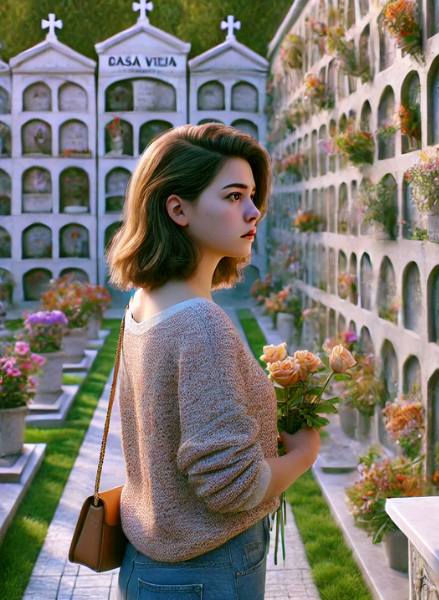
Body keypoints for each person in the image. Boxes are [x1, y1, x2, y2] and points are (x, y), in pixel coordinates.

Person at [105, 123, 321, 600]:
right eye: (233, 196)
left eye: (252, 195)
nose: (253, 210)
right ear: (177, 208)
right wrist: (305, 454)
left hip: (151, 561)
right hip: (206, 571)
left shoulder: (145, 301)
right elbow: (234, 489)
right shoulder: (200, 324)